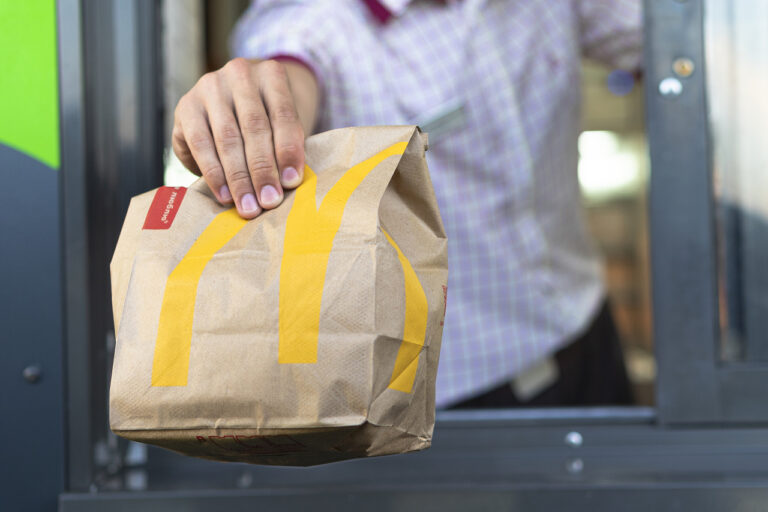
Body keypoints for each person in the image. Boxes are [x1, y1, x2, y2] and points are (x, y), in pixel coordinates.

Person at [171, 0, 640, 409]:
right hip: (451, 396)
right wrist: (250, 102)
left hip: (586, 331)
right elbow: (282, 73)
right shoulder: (314, 21)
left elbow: (672, 34)